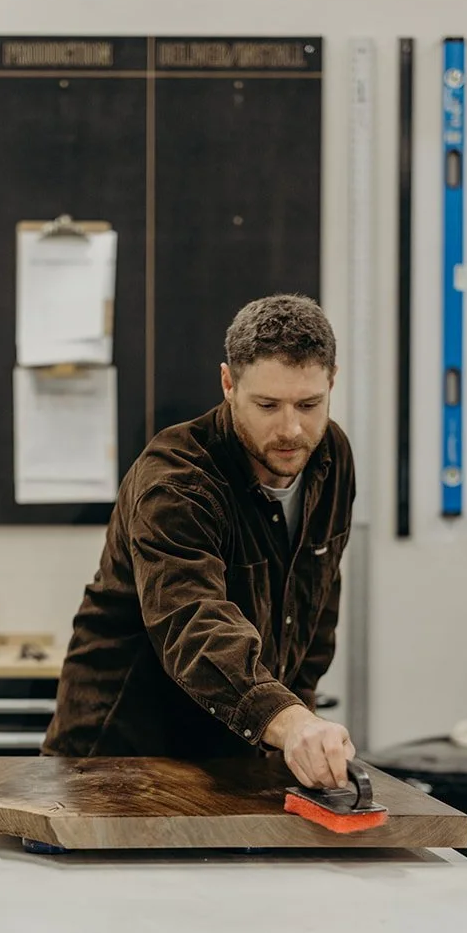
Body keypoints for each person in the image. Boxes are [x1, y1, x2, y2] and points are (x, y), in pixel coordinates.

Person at [43, 293, 356, 791]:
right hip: (119, 757)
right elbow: (193, 620)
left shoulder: (331, 456)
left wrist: (296, 723)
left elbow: (315, 608)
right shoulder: (176, 481)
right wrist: (288, 720)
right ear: (229, 383)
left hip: (235, 756)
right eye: (268, 405)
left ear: (332, 381)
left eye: (309, 404)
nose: (292, 429)